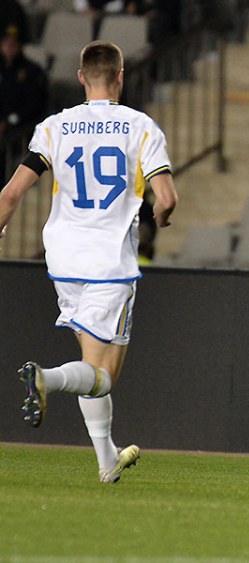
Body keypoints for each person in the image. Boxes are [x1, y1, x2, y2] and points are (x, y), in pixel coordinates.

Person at [0, 40, 178, 483]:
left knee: (92, 361)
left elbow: (10, 195)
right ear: (121, 77)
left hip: (62, 258)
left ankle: (106, 461)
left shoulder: (54, 126)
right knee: (103, 375)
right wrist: (163, 212)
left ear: (81, 77)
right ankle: (46, 378)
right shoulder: (141, 127)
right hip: (109, 261)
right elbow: (168, 196)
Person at [0, 23, 48, 182]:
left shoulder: (32, 72)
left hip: (19, 130)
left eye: (12, 44)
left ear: (20, 45)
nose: (9, 47)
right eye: (6, 43)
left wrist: (8, 122)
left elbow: (34, 107)